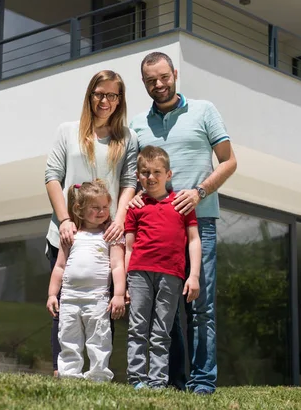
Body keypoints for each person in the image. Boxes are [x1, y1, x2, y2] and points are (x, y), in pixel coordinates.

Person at [129, 52, 237, 394]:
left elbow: (230, 161)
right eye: (150, 81)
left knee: (201, 305)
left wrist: (200, 191)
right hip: (155, 229)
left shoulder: (204, 110)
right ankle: (172, 380)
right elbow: (134, 175)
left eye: (163, 77)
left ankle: (203, 381)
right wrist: (131, 196)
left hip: (198, 222)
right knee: (166, 310)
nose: (158, 84)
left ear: (174, 74)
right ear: (144, 84)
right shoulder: (137, 125)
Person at [45, 70, 138, 377]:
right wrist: (64, 220)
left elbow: (128, 183)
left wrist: (121, 220)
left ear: (120, 100)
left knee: (101, 311)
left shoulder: (127, 138)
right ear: (90, 95)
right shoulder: (67, 131)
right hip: (68, 236)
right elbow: (52, 178)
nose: (105, 101)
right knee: (65, 309)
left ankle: (98, 374)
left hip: (105, 240)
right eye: (100, 93)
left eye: (113, 95)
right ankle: (64, 374)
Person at [124, 146, 201, 389]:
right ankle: (137, 379)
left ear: (169, 174)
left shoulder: (181, 204)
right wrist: (125, 283)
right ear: (138, 176)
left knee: (162, 331)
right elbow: (128, 247)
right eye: (145, 172)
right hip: (139, 274)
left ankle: (157, 382)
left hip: (172, 275)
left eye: (157, 171)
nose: (151, 177)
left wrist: (194, 275)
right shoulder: (135, 207)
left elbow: (194, 239)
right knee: (137, 327)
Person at [46, 180, 126, 381]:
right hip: (70, 298)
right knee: (68, 338)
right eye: (95, 207)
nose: (101, 212)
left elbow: (118, 266)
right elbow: (59, 266)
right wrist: (52, 294)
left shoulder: (111, 236)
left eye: (105, 207)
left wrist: (118, 294)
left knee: (99, 339)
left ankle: (98, 376)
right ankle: (69, 376)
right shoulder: (71, 235)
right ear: (79, 209)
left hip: (97, 299)